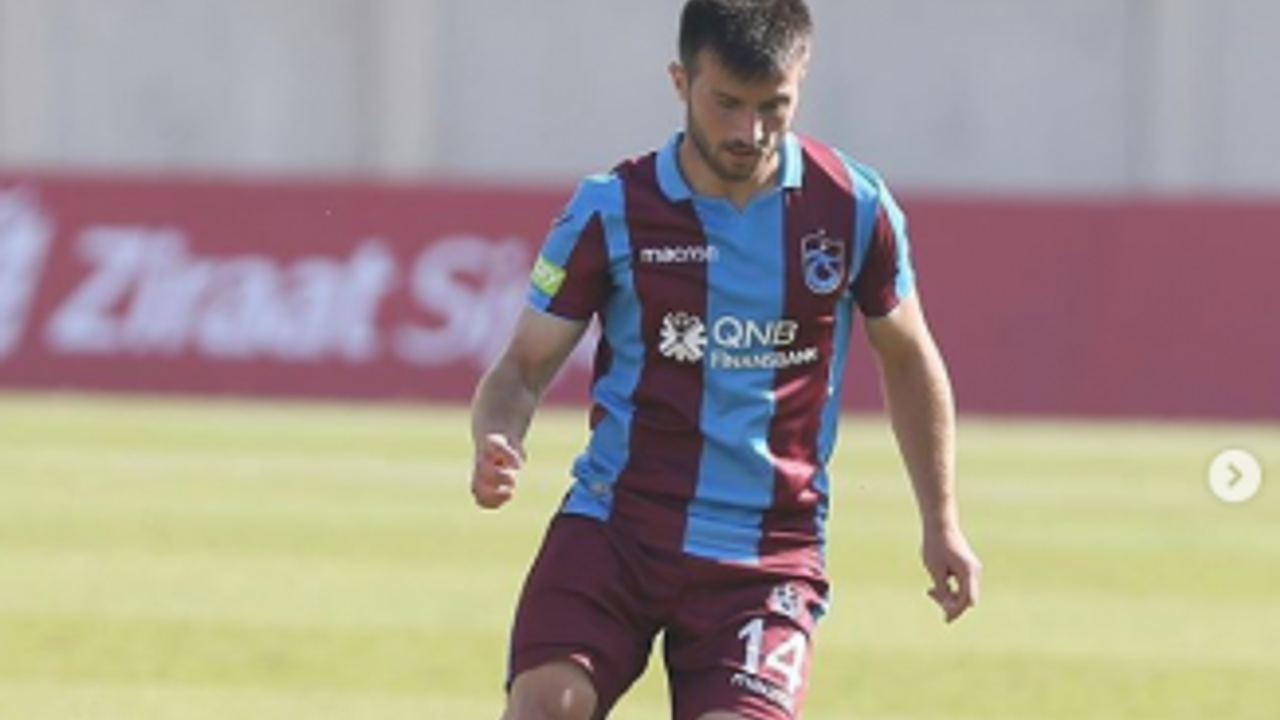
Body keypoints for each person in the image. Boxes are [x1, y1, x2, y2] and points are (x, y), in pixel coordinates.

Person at [469, 1, 982, 718]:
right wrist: (498, 436)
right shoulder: (610, 209)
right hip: (618, 529)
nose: (750, 131)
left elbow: (908, 357)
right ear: (680, 82)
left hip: (768, 556)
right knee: (547, 706)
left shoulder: (852, 206)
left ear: (801, 82)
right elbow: (521, 368)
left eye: (774, 106)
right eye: (728, 103)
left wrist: (941, 521)